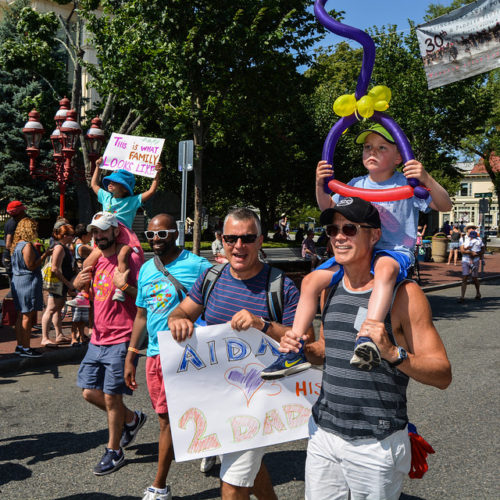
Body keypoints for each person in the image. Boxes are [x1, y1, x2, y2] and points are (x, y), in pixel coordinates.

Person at [280, 199, 452, 499]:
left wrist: (392, 352)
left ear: (374, 235)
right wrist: (302, 347)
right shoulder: (329, 289)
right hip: (324, 432)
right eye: (332, 229)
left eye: (350, 228)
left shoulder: (405, 295)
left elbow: (442, 374)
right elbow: (327, 353)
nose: (338, 237)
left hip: (377, 441)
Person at [280, 123, 452, 375]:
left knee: (384, 270)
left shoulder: (407, 184)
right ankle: (293, 347)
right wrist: (320, 184)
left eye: (382, 147)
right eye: (367, 147)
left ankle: (368, 335)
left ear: (398, 157)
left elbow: (444, 204)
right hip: (357, 252)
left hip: (392, 250)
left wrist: (426, 178)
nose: (372, 151)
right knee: (310, 281)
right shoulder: (355, 184)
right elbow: (327, 206)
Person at [168, 207, 300, 500]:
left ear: (260, 240)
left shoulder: (281, 286)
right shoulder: (211, 277)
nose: (239, 246)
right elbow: (182, 311)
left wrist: (261, 324)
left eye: (247, 238)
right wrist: (177, 320)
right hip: (219, 399)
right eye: (231, 238)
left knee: (233, 484)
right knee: (248, 468)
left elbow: (303, 342)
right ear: (222, 240)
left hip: (260, 401)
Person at [124, 214, 212, 500]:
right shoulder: (147, 270)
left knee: (168, 422)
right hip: (154, 356)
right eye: (150, 236)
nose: (155, 240)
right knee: (168, 416)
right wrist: (131, 354)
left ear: (175, 234)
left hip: (187, 354)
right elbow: (141, 315)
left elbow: (223, 295)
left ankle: (160, 485)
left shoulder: (199, 265)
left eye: (162, 234)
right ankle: (214, 443)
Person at [73, 211, 146, 475]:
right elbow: (82, 292)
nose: (99, 236)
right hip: (98, 338)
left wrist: (125, 287)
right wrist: (76, 282)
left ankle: (114, 451)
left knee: (111, 397)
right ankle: (132, 419)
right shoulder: (95, 262)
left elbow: (145, 298)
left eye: (103, 231)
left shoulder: (131, 259)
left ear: (116, 231)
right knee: (88, 392)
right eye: (95, 232)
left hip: (122, 337)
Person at [70, 159, 161, 307]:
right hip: (105, 232)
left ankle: (120, 288)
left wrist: (157, 174)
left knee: (123, 256)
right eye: (110, 181)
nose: (110, 183)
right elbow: (93, 185)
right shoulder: (106, 197)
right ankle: (84, 294)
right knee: (88, 261)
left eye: (115, 182)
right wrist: (98, 167)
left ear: (125, 188)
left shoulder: (132, 200)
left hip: (123, 235)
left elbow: (151, 191)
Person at [10, 218, 49, 357]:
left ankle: (20, 345)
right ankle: (26, 348)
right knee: (27, 315)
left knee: (21, 315)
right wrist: (45, 255)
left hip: (18, 280)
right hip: (27, 281)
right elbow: (30, 265)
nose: (36, 230)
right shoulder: (26, 245)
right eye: (34, 228)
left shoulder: (17, 245)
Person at [41, 223, 77, 347]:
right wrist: (67, 283)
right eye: (72, 235)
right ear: (65, 235)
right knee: (51, 309)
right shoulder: (59, 248)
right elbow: (55, 268)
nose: (73, 237)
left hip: (61, 284)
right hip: (58, 284)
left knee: (57, 309)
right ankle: (45, 338)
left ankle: (59, 334)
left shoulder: (63, 247)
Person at [70, 224, 92, 345]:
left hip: (83, 281)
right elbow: (97, 251)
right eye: (90, 235)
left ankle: (81, 335)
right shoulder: (82, 247)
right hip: (81, 282)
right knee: (77, 312)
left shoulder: (75, 245)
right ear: (84, 235)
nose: (91, 237)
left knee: (82, 310)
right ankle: (74, 337)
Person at [458, 224, 485, 303]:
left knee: (474, 277)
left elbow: (483, 250)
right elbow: (462, 250)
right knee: (465, 277)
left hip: (475, 260)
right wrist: (470, 252)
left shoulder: (478, 239)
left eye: (474, 228)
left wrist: (477, 254)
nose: (472, 229)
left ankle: (478, 292)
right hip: (465, 260)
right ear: (467, 230)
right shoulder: (462, 239)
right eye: (471, 228)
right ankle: (462, 296)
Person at [2, 200, 28, 281]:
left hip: (14, 256)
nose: (24, 213)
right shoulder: (12, 224)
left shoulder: (17, 222)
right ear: (18, 212)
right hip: (11, 257)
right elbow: (8, 245)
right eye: (23, 211)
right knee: (15, 284)